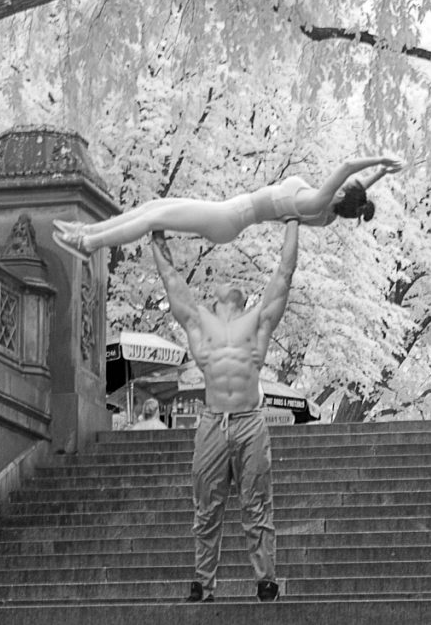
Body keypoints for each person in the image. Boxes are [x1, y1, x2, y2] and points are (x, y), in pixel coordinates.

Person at [151, 220, 298, 603]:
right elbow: (170, 279)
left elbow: (284, 274)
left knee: (257, 505)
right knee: (206, 509)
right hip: (213, 422)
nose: (226, 282)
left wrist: (293, 223)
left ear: (241, 301)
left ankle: (266, 579)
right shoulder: (201, 328)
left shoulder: (258, 325)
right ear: (215, 302)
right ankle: (204, 583)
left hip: (250, 422)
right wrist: (156, 234)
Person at [51, 155, 403, 260]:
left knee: (154, 217)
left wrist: (376, 161)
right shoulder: (332, 210)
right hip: (228, 210)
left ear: (340, 196)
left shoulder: (318, 202)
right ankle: (87, 232)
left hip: (229, 218)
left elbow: (344, 170)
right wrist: (380, 175)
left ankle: (90, 244)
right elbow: (356, 192)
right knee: (155, 204)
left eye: (343, 189)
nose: (338, 184)